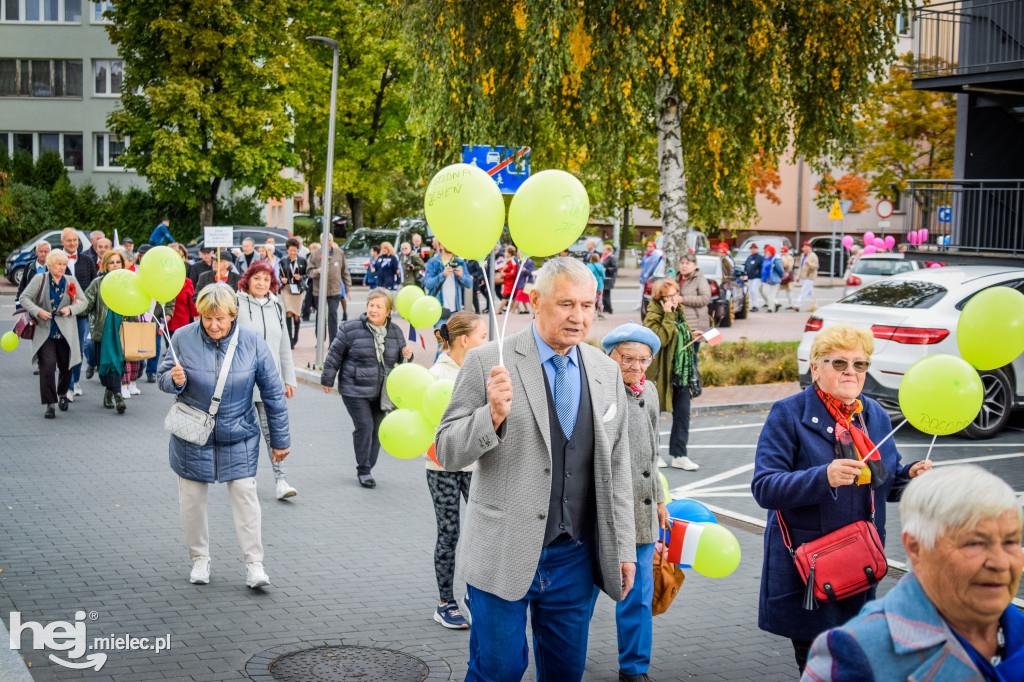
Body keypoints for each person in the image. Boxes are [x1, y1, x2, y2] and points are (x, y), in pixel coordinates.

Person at [435, 257, 636, 682]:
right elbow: (447, 451)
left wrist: (622, 547)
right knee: (497, 672)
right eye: (566, 304)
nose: (578, 317)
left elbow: (617, 467)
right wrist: (489, 417)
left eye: (587, 304)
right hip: (502, 553)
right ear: (533, 301)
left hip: (574, 559)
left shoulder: (604, 370)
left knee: (565, 673)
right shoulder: (488, 361)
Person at [751, 322, 931, 673]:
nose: (851, 371)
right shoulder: (788, 414)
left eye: (859, 364)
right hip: (812, 570)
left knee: (855, 665)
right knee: (820, 669)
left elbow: (884, 482)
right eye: (839, 363)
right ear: (815, 368)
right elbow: (765, 487)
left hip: (861, 565)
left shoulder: (873, 415)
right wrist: (824, 476)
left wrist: (909, 476)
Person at [802, 465, 1023, 682]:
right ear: (916, 548)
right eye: (974, 543)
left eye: (1011, 541)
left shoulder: (1016, 632)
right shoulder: (855, 651)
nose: (1001, 563)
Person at [158, 283, 290, 589]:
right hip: (192, 435)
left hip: (239, 434)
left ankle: (254, 564)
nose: (214, 325)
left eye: (220, 318)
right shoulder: (182, 337)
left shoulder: (253, 342)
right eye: (207, 318)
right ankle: (199, 559)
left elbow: (273, 394)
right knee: (191, 500)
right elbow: (162, 378)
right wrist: (173, 380)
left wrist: (281, 439)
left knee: (246, 496)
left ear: (233, 315)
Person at [597, 323, 668, 682]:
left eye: (644, 360)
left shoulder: (650, 391)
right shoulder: (596, 391)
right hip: (595, 509)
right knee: (578, 596)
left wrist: (659, 497)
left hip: (639, 511)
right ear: (610, 356)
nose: (637, 368)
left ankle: (634, 669)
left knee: (637, 596)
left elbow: (652, 452)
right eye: (628, 359)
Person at [426, 311, 487, 630]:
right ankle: (444, 602)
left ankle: (474, 597)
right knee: (449, 534)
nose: (487, 342)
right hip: (443, 466)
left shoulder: (481, 369)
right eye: (483, 337)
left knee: (482, 534)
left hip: (478, 464)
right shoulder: (437, 374)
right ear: (465, 340)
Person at [320, 288, 412, 488]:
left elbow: (400, 359)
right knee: (365, 426)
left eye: (379, 306)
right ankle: (364, 470)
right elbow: (334, 355)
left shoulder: (395, 331)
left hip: (381, 392)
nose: (373, 310)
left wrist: (407, 355)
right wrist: (328, 379)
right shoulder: (350, 328)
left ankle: (368, 465)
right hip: (354, 389)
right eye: (371, 305)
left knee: (378, 430)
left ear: (388, 311)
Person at [236, 261, 299, 501]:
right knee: (244, 435)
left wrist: (289, 378)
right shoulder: (236, 303)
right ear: (248, 280)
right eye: (257, 278)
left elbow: (284, 345)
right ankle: (245, 480)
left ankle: (281, 481)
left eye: (265, 279)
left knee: (274, 434)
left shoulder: (276, 306)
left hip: (270, 384)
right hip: (241, 384)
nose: (261, 283)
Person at [19, 250, 87, 418]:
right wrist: (38, 311)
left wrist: (70, 309)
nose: (62, 267)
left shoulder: (71, 281)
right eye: (59, 264)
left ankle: (62, 393)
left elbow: (84, 302)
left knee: (66, 366)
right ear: (49, 265)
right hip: (45, 331)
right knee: (47, 367)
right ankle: (50, 404)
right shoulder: (39, 279)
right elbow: (24, 298)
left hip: (66, 332)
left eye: (64, 264)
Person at [644, 277, 701, 471]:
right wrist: (667, 315)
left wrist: (694, 336)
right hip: (661, 375)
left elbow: (680, 336)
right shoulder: (652, 315)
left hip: (681, 373)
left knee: (683, 414)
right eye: (669, 296)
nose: (674, 299)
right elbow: (659, 340)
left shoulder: (680, 313)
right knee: (654, 415)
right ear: (659, 299)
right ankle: (654, 455)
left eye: (675, 294)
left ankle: (679, 455)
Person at [83, 249, 136, 413]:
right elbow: (86, 304)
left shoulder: (129, 281)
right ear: (105, 265)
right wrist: (72, 307)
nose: (115, 265)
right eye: (111, 262)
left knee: (118, 364)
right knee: (104, 367)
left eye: (118, 262)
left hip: (123, 330)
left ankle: (117, 396)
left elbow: (137, 302)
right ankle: (109, 391)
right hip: (103, 331)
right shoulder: (98, 283)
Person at [60, 228, 98, 398]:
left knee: (78, 348)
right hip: (61, 314)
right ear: (62, 242)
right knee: (65, 348)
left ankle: (74, 381)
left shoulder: (87, 260)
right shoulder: (55, 259)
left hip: (81, 313)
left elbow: (93, 285)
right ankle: (66, 384)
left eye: (75, 240)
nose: (73, 243)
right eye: (69, 240)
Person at [307, 238, 352, 342]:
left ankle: (333, 341)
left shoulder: (339, 253)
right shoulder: (315, 253)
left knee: (333, 313)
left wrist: (348, 288)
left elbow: (345, 272)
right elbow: (309, 271)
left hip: (335, 290)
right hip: (319, 291)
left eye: (330, 240)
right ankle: (320, 341)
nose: (328, 241)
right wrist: (317, 271)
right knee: (320, 315)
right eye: (325, 239)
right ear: (321, 241)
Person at [423, 242, 474, 322]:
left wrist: (462, 276)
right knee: (442, 334)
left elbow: (469, 284)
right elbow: (428, 284)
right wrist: (443, 275)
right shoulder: (432, 262)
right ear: (441, 246)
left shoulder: (460, 263)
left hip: (456, 311)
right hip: (438, 310)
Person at [279, 238, 307, 349]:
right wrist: (282, 279)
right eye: (291, 250)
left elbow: (307, 275)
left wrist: (301, 277)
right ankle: (289, 340)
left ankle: (296, 338)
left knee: (296, 315)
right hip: (287, 288)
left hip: (298, 289)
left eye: (295, 250)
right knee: (288, 312)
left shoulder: (302, 260)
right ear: (287, 250)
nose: (293, 253)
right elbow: (279, 274)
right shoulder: (283, 260)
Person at [676, 252, 711, 334]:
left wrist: (683, 299)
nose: (684, 266)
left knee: (692, 347)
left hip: (695, 324)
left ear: (694, 266)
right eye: (682, 263)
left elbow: (705, 299)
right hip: (679, 323)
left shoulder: (700, 279)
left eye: (687, 263)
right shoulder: (676, 279)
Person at [792, 241, 819, 312]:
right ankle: (815, 306)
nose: (805, 249)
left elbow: (816, 266)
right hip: (804, 276)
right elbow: (801, 267)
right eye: (805, 248)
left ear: (810, 248)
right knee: (810, 293)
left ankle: (797, 305)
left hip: (810, 276)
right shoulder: (803, 255)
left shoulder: (813, 255)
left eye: (807, 248)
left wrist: (809, 263)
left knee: (804, 291)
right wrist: (798, 277)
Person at [760, 245, 784, 313]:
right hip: (765, 279)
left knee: (771, 294)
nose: (766, 252)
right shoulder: (766, 258)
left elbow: (780, 269)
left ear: (771, 252)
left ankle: (770, 308)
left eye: (768, 251)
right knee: (765, 292)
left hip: (773, 280)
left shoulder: (775, 259)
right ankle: (776, 303)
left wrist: (780, 276)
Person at [495, 245, 518, 315]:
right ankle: (513, 310)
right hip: (507, 282)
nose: (504, 253)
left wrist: (505, 274)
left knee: (505, 296)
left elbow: (514, 273)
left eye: (505, 252)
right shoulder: (507, 260)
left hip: (510, 282)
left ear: (509, 253)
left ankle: (499, 310)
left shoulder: (513, 261)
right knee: (512, 297)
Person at [743, 243, 764, 312]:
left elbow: (762, 267)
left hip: (757, 277)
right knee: (751, 291)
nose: (753, 249)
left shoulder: (760, 258)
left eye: (754, 248)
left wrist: (762, 276)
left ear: (757, 249)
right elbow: (746, 266)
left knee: (754, 290)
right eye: (752, 248)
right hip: (750, 277)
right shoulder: (749, 257)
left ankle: (756, 305)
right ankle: (753, 305)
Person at [587, 253, 606, 320]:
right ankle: (600, 314)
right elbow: (604, 276)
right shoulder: (600, 266)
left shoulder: (588, 266)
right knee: (600, 300)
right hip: (599, 285)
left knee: (592, 300)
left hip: (591, 285)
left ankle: (590, 314)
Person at [601, 243, 618, 315]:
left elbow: (614, 267)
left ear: (608, 250)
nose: (603, 250)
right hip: (604, 278)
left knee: (606, 295)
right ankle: (605, 309)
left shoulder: (611, 257)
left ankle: (609, 309)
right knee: (604, 295)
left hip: (609, 278)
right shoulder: (604, 257)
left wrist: (607, 269)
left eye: (604, 249)